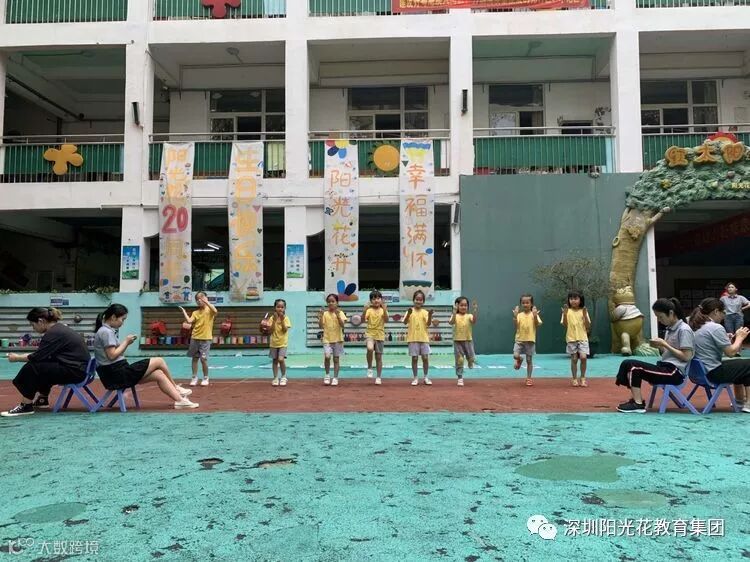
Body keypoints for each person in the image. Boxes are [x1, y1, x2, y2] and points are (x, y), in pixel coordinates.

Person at [94, 304, 198, 409]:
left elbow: (115, 354)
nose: (123, 323)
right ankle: (176, 387)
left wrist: (126, 343)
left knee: (159, 374)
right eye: (122, 319)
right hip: (117, 375)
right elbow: (112, 355)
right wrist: (126, 342)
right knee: (159, 361)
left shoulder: (106, 331)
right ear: (113, 317)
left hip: (117, 373)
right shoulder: (106, 332)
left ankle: (180, 401)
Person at [1, 308, 90, 417]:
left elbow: (36, 357)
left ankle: (26, 406)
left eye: (33, 325)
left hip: (75, 372)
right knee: (44, 365)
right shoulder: (59, 329)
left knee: (31, 368)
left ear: (40, 321)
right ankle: (42, 399)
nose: (33, 328)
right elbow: (43, 355)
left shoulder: (53, 333)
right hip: (79, 370)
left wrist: (16, 358)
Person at [615, 298, 694, 413]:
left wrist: (665, 344)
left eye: (660, 317)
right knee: (627, 363)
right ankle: (636, 400)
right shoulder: (670, 329)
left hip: (674, 372)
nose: (659, 320)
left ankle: (638, 404)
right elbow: (668, 353)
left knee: (634, 367)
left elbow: (686, 356)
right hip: (665, 367)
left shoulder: (684, 330)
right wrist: (660, 347)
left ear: (671, 313)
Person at [689, 298, 750, 412]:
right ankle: (744, 403)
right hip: (713, 373)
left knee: (741, 366)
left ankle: (741, 402)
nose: (724, 316)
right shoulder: (715, 327)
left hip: (698, 372)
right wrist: (740, 337)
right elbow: (731, 353)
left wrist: (725, 339)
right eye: (723, 312)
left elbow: (709, 345)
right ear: (716, 311)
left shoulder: (695, 325)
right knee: (747, 364)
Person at [179, 291, 218, 387]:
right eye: (197, 299)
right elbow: (189, 321)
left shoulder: (210, 311)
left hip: (206, 339)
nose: (199, 301)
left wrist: (207, 302)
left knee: (203, 359)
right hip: (195, 338)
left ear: (205, 298)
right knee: (195, 358)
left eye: (201, 298)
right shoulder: (195, 312)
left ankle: (205, 377)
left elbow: (215, 311)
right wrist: (184, 312)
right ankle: (194, 377)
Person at [561, 290, 591, 387]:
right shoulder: (567, 311)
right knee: (574, 359)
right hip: (571, 338)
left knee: (583, 357)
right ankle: (574, 378)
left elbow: (587, 326)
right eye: (571, 299)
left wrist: (585, 315)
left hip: (583, 338)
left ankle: (583, 378)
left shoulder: (583, 311)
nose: (573, 301)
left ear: (580, 299)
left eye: (575, 298)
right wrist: (565, 314)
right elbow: (565, 324)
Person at [404, 290, 433, 386]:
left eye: (420, 300)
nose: (418, 301)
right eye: (417, 299)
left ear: (423, 301)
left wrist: (430, 315)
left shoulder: (425, 312)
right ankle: (415, 378)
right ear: (413, 300)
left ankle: (426, 377)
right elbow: (404, 322)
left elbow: (428, 324)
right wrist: (408, 314)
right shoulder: (409, 311)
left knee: (425, 358)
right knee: (415, 358)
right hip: (412, 338)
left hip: (424, 338)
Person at [513, 294, 542, 386]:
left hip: (530, 340)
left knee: (529, 360)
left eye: (527, 302)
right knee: (515, 355)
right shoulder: (519, 315)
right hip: (519, 340)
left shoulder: (534, 314)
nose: (525, 304)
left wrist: (535, 316)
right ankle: (520, 359)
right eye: (523, 303)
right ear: (521, 304)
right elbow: (516, 326)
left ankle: (529, 378)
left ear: (531, 304)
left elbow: (537, 324)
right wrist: (515, 316)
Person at [449, 296, 478, 386]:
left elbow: (474, 321)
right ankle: (460, 378)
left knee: (472, 358)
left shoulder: (469, 316)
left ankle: (470, 361)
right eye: (461, 305)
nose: (463, 307)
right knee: (460, 360)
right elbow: (451, 322)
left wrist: (475, 310)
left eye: (465, 305)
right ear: (457, 306)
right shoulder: (455, 316)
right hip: (457, 341)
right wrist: (454, 312)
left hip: (468, 341)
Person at [318, 294, 347, 386]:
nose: (331, 303)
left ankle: (335, 377)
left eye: (333, 301)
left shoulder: (340, 313)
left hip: (338, 339)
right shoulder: (325, 314)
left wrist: (338, 316)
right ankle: (327, 375)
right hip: (327, 339)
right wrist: (320, 316)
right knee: (327, 356)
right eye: (329, 301)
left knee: (336, 359)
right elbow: (321, 326)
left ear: (337, 303)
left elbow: (343, 325)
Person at [363, 290, 388, 385]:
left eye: (378, 298)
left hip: (380, 335)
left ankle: (378, 377)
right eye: (374, 299)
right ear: (370, 301)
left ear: (381, 300)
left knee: (378, 357)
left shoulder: (383, 309)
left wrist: (384, 309)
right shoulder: (369, 310)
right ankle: (369, 367)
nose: (376, 300)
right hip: (370, 334)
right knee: (369, 349)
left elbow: (386, 320)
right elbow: (362, 320)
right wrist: (364, 310)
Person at [267, 299, 291, 387]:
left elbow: (285, 330)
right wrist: (274, 320)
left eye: (282, 307)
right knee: (275, 361)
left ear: (284, 308)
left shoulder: (286, 318)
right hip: (273, 343)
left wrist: (282, 320)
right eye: (278, 307)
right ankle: (275, 378)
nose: (280, 309)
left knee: (281, 359)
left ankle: (284, 376)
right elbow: (270, 331)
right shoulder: (271, 318)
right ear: (275, 308)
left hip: (283, 343)